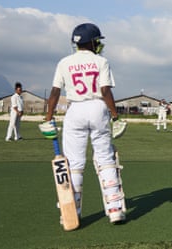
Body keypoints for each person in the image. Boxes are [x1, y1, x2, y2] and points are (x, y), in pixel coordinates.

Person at [42, 23, 126, 224]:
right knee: (105, 158)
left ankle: (72, 212)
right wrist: (115, 116)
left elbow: (55, 92)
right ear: (92, 42)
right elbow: (105, 91)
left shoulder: (64, 62)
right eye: (98, 41)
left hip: (75, 110)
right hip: (97, 107)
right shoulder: (101, 61)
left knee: (74, 163)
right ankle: (115, 209)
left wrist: (48, 118)